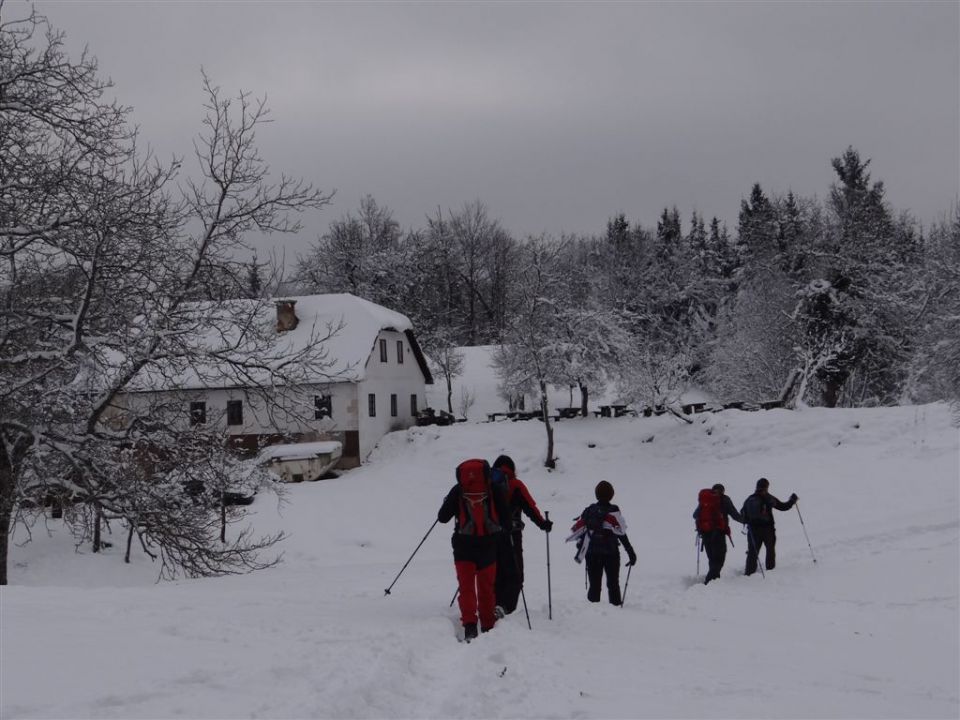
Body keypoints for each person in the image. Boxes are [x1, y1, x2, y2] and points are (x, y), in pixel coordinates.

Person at [437, 458, 511, 640]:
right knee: (486, 588)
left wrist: (451, 502)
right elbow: (506, 521)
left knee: (467, 588)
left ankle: (470, 626)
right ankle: (487, 626)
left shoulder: (459, 490)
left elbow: (442, 517)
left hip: (463, 546)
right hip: (488, 546)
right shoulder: (494, 489)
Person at [490, 454, 553, 615]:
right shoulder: (515, 485)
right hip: (512, 534)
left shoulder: (488, 484)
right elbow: (530, 507)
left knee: (494, 571)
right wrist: (543, 524)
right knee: (515, 573)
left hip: (489, 535)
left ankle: (493, 604)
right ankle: (505, 608)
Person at [567, 480, 637, 605]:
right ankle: (616, 611)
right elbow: (621, 533)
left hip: (592, 552)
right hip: (611, 552)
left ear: (596, 494)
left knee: (594, 585)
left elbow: (581, 531)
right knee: (613, 584)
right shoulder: (613, 511)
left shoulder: (589, 511)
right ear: (611, 495)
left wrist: (581, 546)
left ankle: (593, 615)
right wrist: (630, 551)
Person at [741, 477, 798, 576]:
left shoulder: (749, 499)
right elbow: (783, 507)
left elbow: (742, 513)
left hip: (753, 530)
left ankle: (749, 573)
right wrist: (792, 501)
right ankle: (771, 571)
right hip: (767, 529)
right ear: (766, 487)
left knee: (752, 552)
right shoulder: (768, 497)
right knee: (770, 550)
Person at [693, 483, 744, 584]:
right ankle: (709, 581)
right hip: (718, 533)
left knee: (712, 558)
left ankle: (714, 580)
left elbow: (695, 515)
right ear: (723, 491)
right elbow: (734, 514)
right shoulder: (724, 499)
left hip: (705, 533)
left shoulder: (705, 500)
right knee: (719, 558)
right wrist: (745, 520)